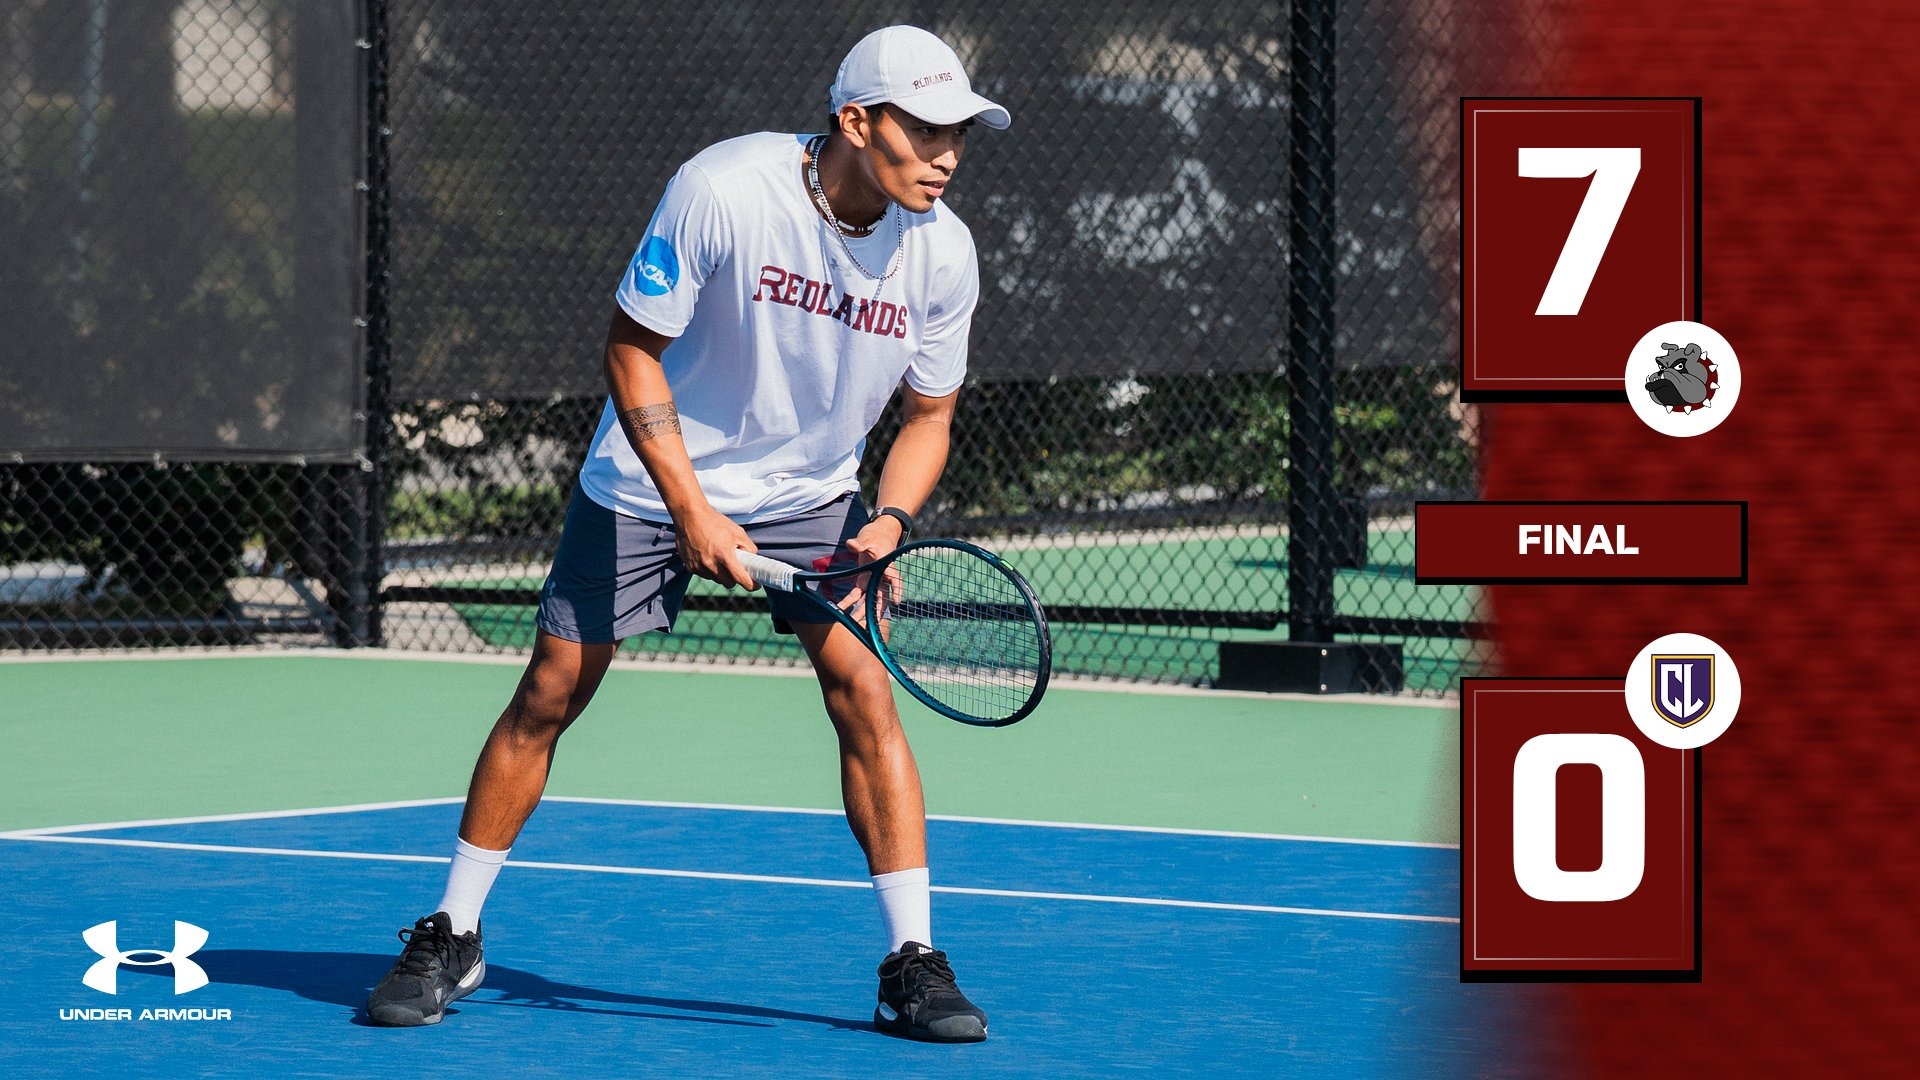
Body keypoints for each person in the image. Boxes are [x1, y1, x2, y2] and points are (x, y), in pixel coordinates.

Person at [364, 26, 1010, 1044]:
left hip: (811, 491)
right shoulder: (727, 189)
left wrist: (887, 522)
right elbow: (632, 351)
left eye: (959, 133)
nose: (948, 155)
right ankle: (454, 930)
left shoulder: (944, 252)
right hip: (648, 476)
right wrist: (691, 508)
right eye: (925, 130)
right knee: (549, 692)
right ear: (857, 122)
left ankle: (913, 961)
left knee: (865, 690)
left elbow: (929, 416)